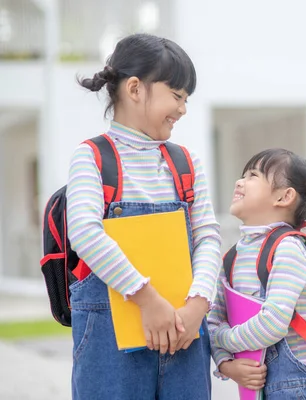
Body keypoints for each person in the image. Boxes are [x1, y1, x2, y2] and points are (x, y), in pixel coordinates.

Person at [66, 33, 220, 400]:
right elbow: (86, 234)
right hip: (111, 343)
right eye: (177, 96)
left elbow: (208, 237)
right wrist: (147, 299)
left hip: (185, 334)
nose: (183, 109)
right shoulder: (91, 158)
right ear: (135, 89)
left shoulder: (186, 162)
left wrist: (198, 304)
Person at [208, 148, 306, 399]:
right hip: (258, 387)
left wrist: (225, 340)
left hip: (297, 386)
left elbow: (273, 323)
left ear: (284, 196)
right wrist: (227, 364)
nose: (240, 182)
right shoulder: (232, 255)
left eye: (252, 176)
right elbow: (214, 317)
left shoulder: (288, 249)